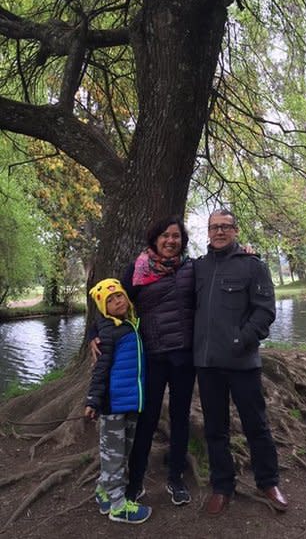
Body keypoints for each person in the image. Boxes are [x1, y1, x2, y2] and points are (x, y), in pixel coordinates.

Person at [91, 216, 196, 506]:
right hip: (151, 357)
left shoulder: (191, 269)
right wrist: (93, 334)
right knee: (147, 420)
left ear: (182, 241)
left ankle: (176, 478)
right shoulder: (137, 270)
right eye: (165, 235)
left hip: (185, 358)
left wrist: (248, 254)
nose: (171, 241)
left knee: (180, 418)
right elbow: (110, 302)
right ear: (154, 239)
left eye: (176, 236)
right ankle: (134, 482)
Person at [193, 209, 288, 516]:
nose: (219, 232)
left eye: (225, 227)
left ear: (235, 230)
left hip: (242, 362)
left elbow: (265, 311)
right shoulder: (197, 268)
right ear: (207, 232)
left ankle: (268, 481)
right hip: (207, 365)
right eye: (214, 227)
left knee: (256, 425)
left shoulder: (253, 266)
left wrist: (241, 340)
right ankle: (222, 487)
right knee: (215, 429)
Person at [85, 278, 152, 525]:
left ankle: (104, 489)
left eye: (119, 296)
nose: (117, 302)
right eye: (110, 301)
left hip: (133, 403)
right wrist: (93, 399)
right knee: (113, 455)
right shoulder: (109, 332)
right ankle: (118, 506)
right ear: (104, 308)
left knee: (123, 452)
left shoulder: (130, 324)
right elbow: (101, 368)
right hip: (113, 405)